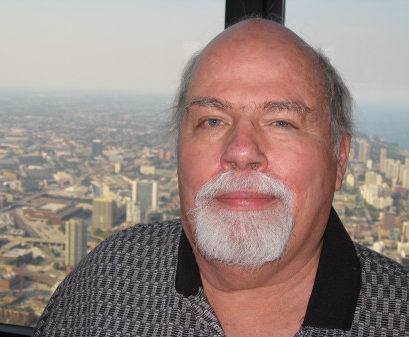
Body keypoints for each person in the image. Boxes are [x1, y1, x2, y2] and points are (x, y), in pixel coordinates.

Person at [33, 18, 408, 337]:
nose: (241, 150)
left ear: (339, 158)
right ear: (179, 149)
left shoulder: (397, 316)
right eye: (212, 120)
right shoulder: (106, 282)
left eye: (282, 121)